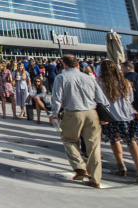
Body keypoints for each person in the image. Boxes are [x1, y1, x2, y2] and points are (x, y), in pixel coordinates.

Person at [49, 54, 110, 188]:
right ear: (78, 64)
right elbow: (102, 99)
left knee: (69, 140)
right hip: (92, 113)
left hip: (73, 112)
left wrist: (54, 113)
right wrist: (104, 116)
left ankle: (80, 166)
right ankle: (96, 179)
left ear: (64, 65)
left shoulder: (62, 77)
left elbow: (57, 98)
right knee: (93, 147)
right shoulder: (89, 78)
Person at [97, 60, 138, 185]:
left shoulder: (101, 83)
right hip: (129, 116)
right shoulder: (126, 82)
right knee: (132, 142)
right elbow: (131, 100)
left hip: (112, 117)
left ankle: (121, 166)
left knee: (115, 140)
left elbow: (99, 101)